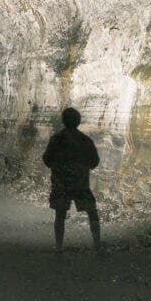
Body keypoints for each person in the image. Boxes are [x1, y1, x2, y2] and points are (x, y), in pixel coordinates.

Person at [42, 107, 101, 253]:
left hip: (61, 183)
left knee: (60, 215)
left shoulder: (56, 140)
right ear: (78, 121)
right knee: (92, 212)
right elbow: (94, 161)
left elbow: (47, 160)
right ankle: (97, 244)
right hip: (80, 183)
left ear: (63, 121)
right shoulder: (85, 141)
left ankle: (59, 246)